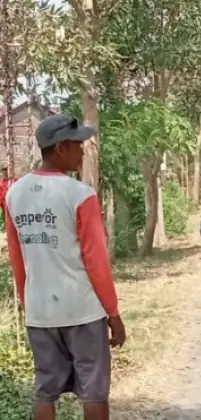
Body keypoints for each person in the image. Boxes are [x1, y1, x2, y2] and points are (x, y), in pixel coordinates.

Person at [3, 114, 125, 420]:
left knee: (46, 390)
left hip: (40, 310)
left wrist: (24, 300)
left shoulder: (14, 194)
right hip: (81, 309)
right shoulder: (80, 194)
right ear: (60, 148)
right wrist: (113, 313)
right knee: (94, 391)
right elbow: (96, 261)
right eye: (78, 145)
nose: (83, 151)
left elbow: (17, 257)